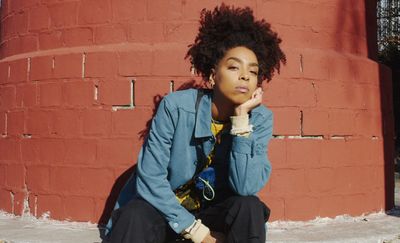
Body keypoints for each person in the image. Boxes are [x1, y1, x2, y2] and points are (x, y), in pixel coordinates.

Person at [104, 4, 285, 243]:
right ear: (212, 75)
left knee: (249, 207)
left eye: (252, 72)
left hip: (212, 213)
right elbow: (150, 178)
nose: (244, 76)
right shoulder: (176, 108)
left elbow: (245, 186)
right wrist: (198, 234)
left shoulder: (259, 119)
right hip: (166, 214)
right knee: (135, 214)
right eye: (233, 67)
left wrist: (241, 121)